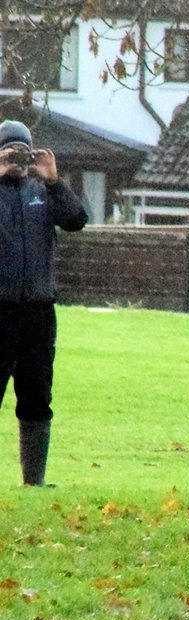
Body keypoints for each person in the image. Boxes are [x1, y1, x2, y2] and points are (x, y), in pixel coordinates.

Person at [0, 119, 87, 486]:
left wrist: (54, 181)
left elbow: (76, 220)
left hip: (38, 310)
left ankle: (34, 480)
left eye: (24, 152)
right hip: (1, 309)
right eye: (11, 152)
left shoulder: (44, 191)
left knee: (37, 394)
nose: (18, 160)